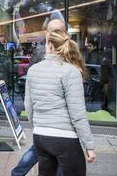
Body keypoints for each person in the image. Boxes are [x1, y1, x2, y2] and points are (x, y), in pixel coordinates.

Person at [25, 29, 96, 175]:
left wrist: (38, 126)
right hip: (65, 139)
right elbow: (78, 114)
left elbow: (29, 106)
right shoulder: (71, 72)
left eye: (45, 43)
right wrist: (89, 146)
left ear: (50, 45)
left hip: (40, 136)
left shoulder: (33, 70)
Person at [11, 19, 65, 176]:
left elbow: (30, 77)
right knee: (48, 152)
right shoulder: (63, 54)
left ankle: (16, 173)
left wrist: (34, 118)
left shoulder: (47, 52)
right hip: (52, 116)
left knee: (38, 149)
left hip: (45, 116)